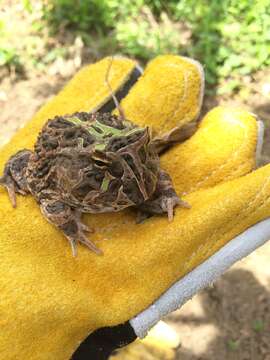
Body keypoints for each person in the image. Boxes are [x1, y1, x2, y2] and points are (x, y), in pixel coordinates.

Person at [0, 55, 269, 360]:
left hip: (113, 143)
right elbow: (50, 197)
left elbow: (153, 174)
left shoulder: (138, 168)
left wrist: (165, 193)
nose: (136, 176)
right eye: (108, 166)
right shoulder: (70, 176)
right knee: (22, 171)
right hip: (68, 158)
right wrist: (71, 228)